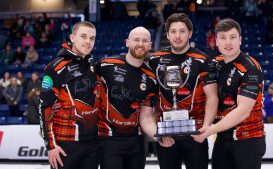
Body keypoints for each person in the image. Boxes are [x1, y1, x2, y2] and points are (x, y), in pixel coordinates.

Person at [95, 26, 172, 169]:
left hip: (137, 141)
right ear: (127, 42)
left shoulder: (151, 78)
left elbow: (146, 118)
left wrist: (159, 136)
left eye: (145, 41)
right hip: (109, 139)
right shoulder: (105, 66)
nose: (141, 44)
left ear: (150, 45)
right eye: (136, 40)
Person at [149, 13, 218, 169]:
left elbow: (212, 98)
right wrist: (158, 132)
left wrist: (205, 129)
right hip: (166, 135)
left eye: (182, 31)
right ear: (167, 34)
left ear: (190, 33)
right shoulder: (155, 60)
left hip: (195, 135)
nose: (177, 36)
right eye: (173, 31)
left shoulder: (203, 60)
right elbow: (150, 99)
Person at [196, 18, 266, 169]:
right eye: (223, 37)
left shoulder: (251, 67)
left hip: (248, 139)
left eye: (233, 37)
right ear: (216, 41)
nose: (228, 42)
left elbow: (243, 111)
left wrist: (210, 130)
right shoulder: (215, 63)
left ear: (240, 40)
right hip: (222, 137)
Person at [39, 21, 99, 169]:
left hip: (92, 144)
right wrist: (51, 146)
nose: (88, 41)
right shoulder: (55, 67)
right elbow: (44, 107)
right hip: (65, 144)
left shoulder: (92, 64)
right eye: (83, 36)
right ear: (72, 38)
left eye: (92, 38)